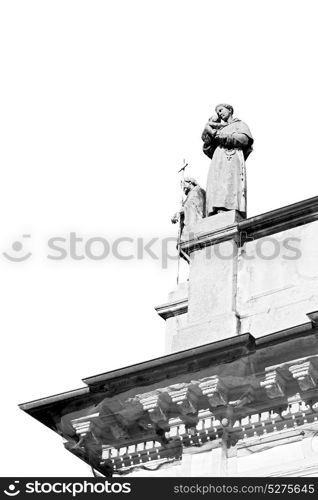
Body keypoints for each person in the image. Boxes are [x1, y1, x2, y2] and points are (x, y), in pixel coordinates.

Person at [201, 103, 253, 218]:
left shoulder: (240, 124)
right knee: (216, 182)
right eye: (218, 112)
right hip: (218, 158)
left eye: (221, 110)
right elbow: (208, 149)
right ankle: (214, 210)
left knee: (229, 181)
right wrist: (208, 135)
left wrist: (219, 135)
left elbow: (244, 140)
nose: (219, 113)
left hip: (232, 157)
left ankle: (227, 209)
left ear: (229, 110)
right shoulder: (219, 127)